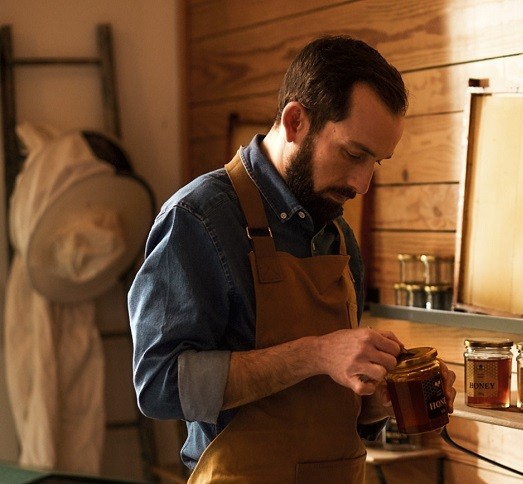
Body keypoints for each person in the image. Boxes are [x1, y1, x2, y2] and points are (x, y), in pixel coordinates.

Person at [128, 35, 457, 482]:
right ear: (296, 121)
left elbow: (339, 414)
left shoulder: (338, 236)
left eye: (375, 163)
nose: (361, 184)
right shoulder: (198, 219)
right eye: (353, 154)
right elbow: (159, 385)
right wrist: (316, 353)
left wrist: (378, 402)